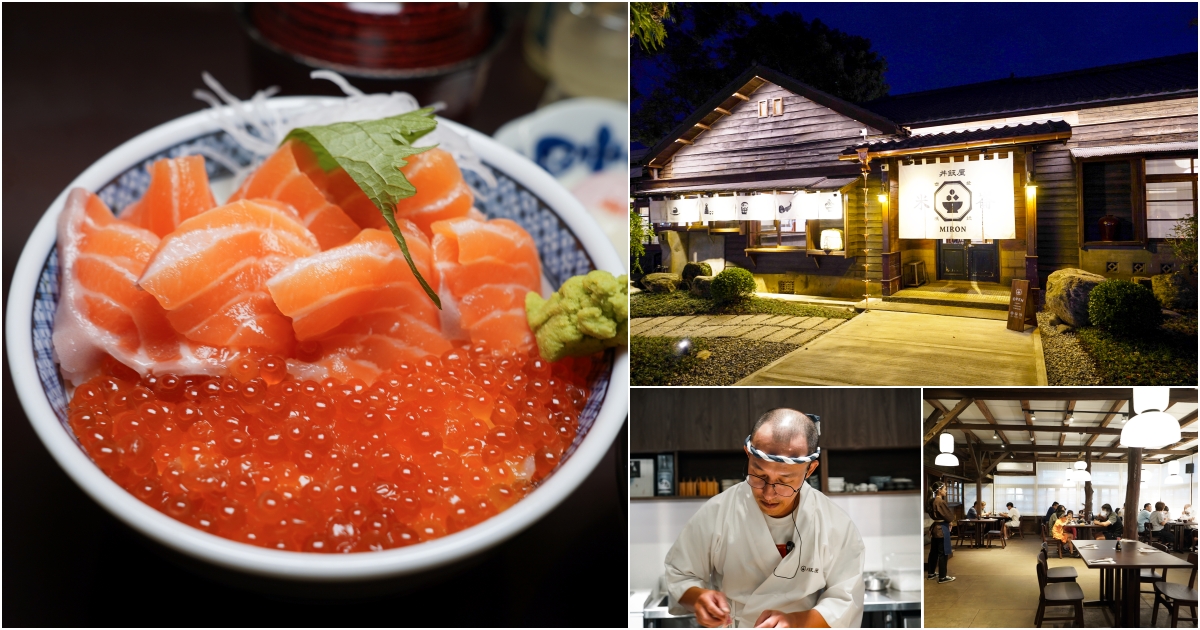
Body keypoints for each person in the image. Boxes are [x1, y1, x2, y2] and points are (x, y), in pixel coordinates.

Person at [665, 409, 865, 628]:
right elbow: (679, 574)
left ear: (810, 470)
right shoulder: (718, 512)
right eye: (759, 475)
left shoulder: (834, 523)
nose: (769, 493)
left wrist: (794, 621)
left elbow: (846, 599)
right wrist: (698, 599)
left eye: (785, 481)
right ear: (747, 455)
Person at [926, 481, 956, 584]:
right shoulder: (940, 502)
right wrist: (951, 521)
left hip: (935, 528)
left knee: (933, 552)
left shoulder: (932, 501)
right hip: (941, 529)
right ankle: (942, 577)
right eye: (945, 489)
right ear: (939, 490)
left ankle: (931, 573)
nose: (946, 491)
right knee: (943, 553)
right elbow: (948, 516)